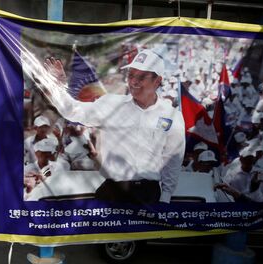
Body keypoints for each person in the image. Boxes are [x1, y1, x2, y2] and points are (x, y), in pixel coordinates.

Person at [42, 48, 186, 204]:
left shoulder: (173, 116)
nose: (134, 82)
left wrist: (165, 198)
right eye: (131, 75)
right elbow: (73, 111)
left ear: (157, 80)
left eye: (141, 77)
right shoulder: (110, 104)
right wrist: (57, 88)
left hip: (148, 195)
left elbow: (173, 159)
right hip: (112, 193)